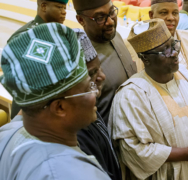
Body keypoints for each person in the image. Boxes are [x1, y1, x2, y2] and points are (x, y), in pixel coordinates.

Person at [107, 19, 188, 180]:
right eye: (164, 51)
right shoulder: (131, 95)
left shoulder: (187, 77)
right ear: (145, 59)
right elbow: (131, 149)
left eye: (173, 45)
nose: (174, 53)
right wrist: (185, 154)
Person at [0, 23, 110, 180]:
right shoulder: (71, 173)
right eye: (88, 87)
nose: (94, 94)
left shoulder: (6, 134)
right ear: (60, 107)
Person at [125, 0, 188, 111]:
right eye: (164, 13)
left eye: (175, 13)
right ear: (151, 15)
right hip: (154, 111)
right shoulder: (134, 46)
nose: (171, 18)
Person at [73, 0, 137, 125]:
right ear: (81, 20)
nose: (110, 21)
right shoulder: (82, 60)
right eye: (100, 17)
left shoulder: (115, 35)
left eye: (112, 12)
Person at [73, 28, 122, 180]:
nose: (102, 76)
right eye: (92, 73)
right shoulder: (75, 134)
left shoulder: (89, 108)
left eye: (100, 68)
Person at [8, 0, 68, 119]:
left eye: (65, 8)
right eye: (59, 7)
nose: (64, 12)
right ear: (44, 6)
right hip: (29, 114)